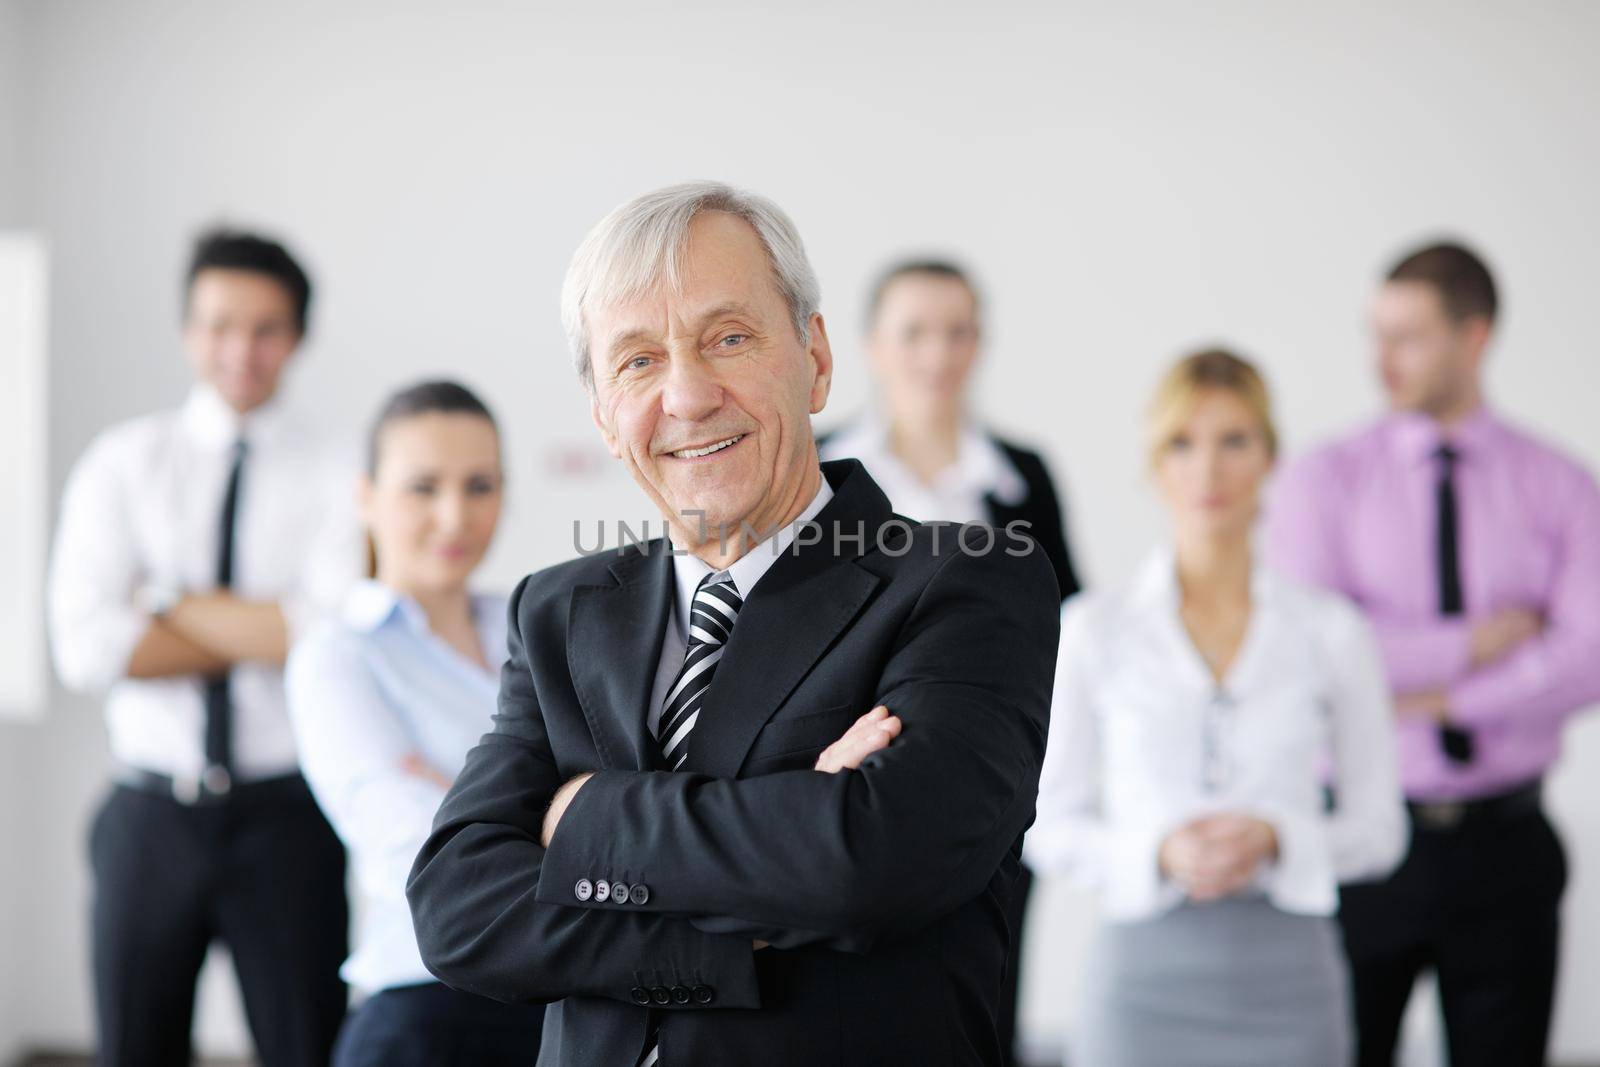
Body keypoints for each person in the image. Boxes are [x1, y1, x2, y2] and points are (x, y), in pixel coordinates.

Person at [405, 181, 1060, 1067]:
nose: (686, 395)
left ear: (816, 357)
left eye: (729, 338)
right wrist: (741, 920)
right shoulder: (558, 612)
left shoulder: (969, 578)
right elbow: (458, 909)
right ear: (602, 413)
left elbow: (872, 860)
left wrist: (585, 813)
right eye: (636, 360)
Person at [1267, 242, 1600, 1067]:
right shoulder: (1325, 479)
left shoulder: (1559, 483)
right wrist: (1472, 645)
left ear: (1474, 335)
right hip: (1362, 838)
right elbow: (1313, 649)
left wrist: (1442, 699)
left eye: (1408, 336)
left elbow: (1589, 653)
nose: (1382, 359)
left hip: (1506, 843)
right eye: (1374, 334)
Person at [1027, 350, 1407, 1067]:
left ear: (1270, 457)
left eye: (1235, 440)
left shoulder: (1331, 631)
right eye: (1183, 442)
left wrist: (1279, 838)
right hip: (1139, 985)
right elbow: (1046, 825)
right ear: (1154, 463)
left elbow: (1381, 830)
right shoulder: (1093, 628)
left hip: (1291, 982)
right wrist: (1158, 850)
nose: (1209, 469)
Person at [47, 228, 360, 1066]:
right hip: (148, 816)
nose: (241, 350)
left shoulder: (339, 471)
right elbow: (85, 647)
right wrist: (267, 623)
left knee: (308, 1045)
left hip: (287, 818)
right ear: (188, 328)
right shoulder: (122, 464)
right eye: (220, 324)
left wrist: (161, 606)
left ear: (296, 335)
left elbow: (329, 634)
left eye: (266, 328)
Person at [819, 257, 1080, 1065]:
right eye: (915, 331)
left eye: (958, 331)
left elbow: (1067, 627)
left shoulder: (1020, 477)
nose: (938, 353)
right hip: (847, 791)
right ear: (869, 345)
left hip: (992, 795)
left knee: (980, 1015)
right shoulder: (819, 471)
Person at [286, 380, 545, 1066]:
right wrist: (572, 818)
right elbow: (423, 849)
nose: (455, 516)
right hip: (424, 1010)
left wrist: (471, 799)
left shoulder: (538, 633)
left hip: (555, 1005)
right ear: (366, 495)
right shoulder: (337, 655)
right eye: (423, 486)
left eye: (480, 485)